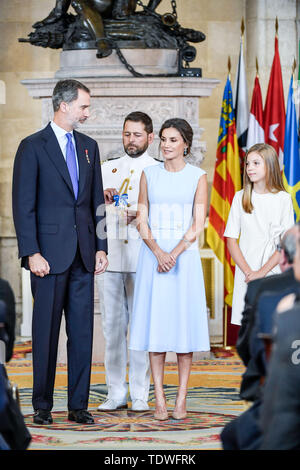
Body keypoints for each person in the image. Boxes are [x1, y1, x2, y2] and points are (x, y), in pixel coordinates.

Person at [12, 79, 108, 425]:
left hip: (84, 256)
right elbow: (23, 206)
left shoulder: (89, 147)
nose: (87, 112)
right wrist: (31, 252)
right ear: (63, 105)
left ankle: (78, 406)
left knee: (81, 334)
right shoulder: (32, 146)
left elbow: (97, 203)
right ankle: (42, 407)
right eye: (84, 105)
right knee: (46, 334)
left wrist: (101, 246)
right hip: (47, 260)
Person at [129, 118, 210, 421]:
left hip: (184, 260)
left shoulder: (198, 176)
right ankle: (160, 401)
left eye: (173, 139)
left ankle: (181, 400)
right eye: (163, 139)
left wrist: (173, 254)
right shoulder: (149, 174)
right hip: (153, 258)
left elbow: (198, 222)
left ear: (186, 144)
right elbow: (142, 218)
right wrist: (159, 252)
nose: (166, 145)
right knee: (157, 328)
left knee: (182, 329)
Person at [97, 111, 157, 412]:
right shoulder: (106, 169)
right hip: (110, 256)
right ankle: (116, 392)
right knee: (112, 327)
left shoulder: (158, 170)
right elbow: (90, 209)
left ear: (150, 137)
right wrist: (101, 196)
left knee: (141, 327)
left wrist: (143, 215)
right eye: (126, 134)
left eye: (136, 134)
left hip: (142, 258)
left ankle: (141, 393)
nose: (130, 140)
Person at [224, 143, 294, 326]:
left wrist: (261, 273)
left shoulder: (283, 199)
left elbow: (286, 244)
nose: (249, 168)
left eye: (256, 163)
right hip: (246, 270)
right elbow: (231, 239)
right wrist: (250, 272)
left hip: (273, 268)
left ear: (269, 165)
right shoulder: (241, 198)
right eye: (247, 164)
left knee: (271, 325)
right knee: (249, 327)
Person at [237, 225, 300, 402]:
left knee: (233, 431)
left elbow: (246, 346)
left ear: (283, 258)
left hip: (272, 392)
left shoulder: (260, 289)